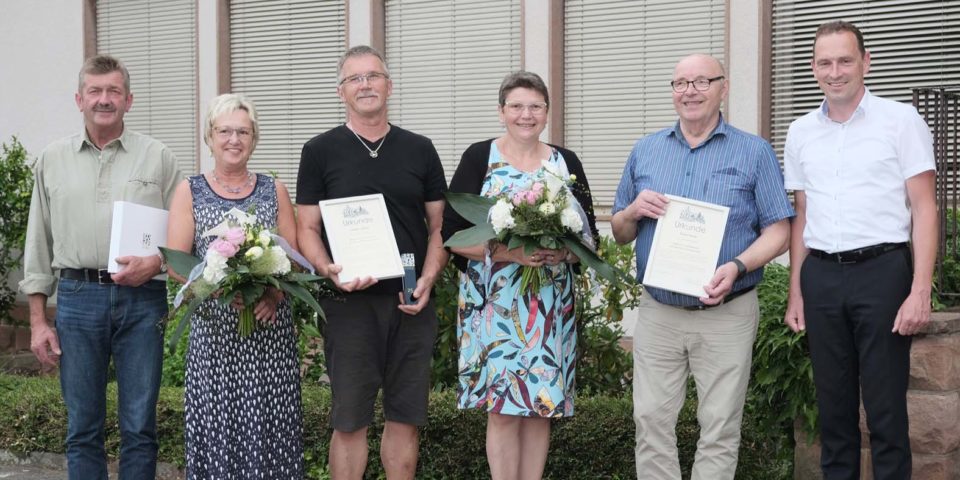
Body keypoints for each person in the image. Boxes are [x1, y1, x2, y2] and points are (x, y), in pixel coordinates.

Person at [611, 54, 794, 480]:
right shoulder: (646, 150)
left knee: (720, 427)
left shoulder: (754, 151)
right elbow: (620, 231)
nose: (689, 91)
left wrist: (738, 265)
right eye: (680, 83)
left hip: (727, 312)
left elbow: (779, 231)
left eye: (701, 82)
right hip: (659, 312)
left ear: (723, 88)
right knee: (650, 421)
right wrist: (633, 210)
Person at [783, 20, 937, 479]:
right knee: (833, 414)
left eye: (845, 60)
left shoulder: (901, 120)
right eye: (825, 63)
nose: (835, 72)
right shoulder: (800, 131)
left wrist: (920, 290)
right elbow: (802, 215)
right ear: (814, 68)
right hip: (821, 277)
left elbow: (924, 208)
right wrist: (796, 291)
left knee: (886, 412)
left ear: (865, 62)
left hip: (883, 272)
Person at [20, 55, 182, 479]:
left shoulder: (159, 157)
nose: (104, 99)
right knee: (82, 428)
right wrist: (38, 321)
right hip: (77, 299)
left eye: (113, 91)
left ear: (129, 100)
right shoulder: (52, 158)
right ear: (79, 99)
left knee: (140, 427)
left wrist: (157, 262)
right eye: (95, 91)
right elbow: (38, 241)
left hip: (143, 299)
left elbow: (184, 235)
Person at [295, 45, 447, 480]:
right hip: (349, 304)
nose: (365, 85)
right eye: (354, 79)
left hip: (410, 301)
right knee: (349, 421)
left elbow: (440, 227)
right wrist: (327, 269)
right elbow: (307, 228)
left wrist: (429, 278)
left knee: (405, 419)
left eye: (373, 76)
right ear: (341, 91)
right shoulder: (319, 150)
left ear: (389, 86)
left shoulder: (420, 148)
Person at [443, 71, 599, 480]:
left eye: (535, 106)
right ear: (501, 112)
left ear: (547, 112)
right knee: (503, 409)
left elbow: (589, 241)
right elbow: (451, 237)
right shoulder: (479, 157)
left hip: (549, 307)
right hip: (493, 308)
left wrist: (560, 252)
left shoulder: (566, 163)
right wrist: (510, 253)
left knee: (540, 407)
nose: (525, 115)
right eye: (516, 106)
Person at [165, 93, 303, 478]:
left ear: (254, 139)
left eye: (243, 132)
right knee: (219, 428)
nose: (233, 139)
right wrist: (222, 287)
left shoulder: (274, 189)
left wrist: (272, 292)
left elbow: (292, 257)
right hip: (215, 335)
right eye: (224, 131)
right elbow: (177, 263)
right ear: (210, 137)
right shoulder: (189, 190)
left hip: (268, 332)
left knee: (270, 428)